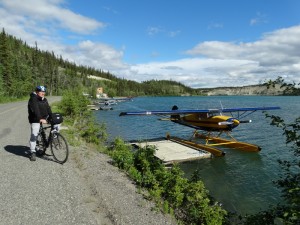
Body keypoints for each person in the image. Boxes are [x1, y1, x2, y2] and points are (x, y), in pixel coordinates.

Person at [27, 85, 52, 161]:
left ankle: (49, 141)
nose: (43, 93)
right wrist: (39, 119)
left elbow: (48, 108)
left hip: (43, 118)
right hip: (35, 119)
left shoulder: (44, 99)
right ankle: (32, 152)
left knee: (56, 124)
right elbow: (35, 110)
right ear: (37, 92)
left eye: (44, 91)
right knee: (34, 134)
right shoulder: (33, 99)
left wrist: (51, 117)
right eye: (41, 91)